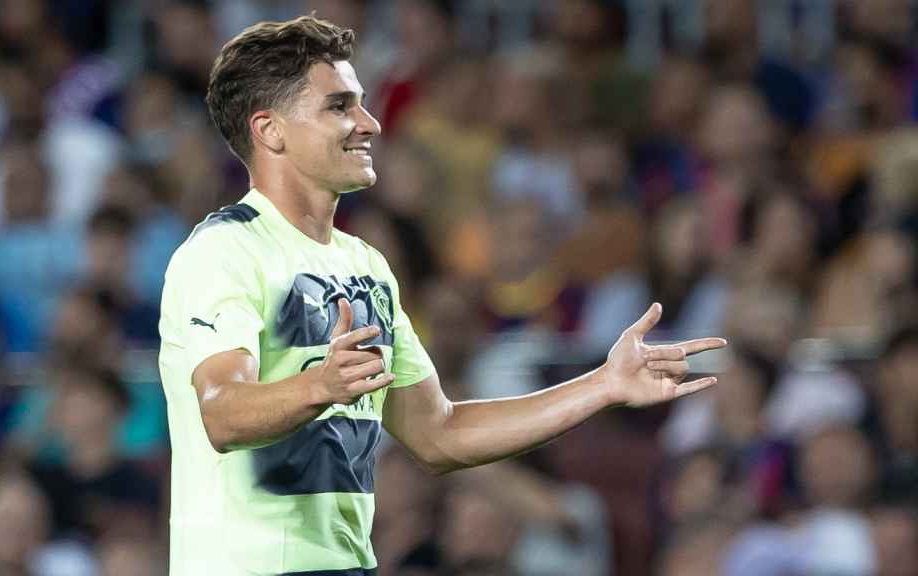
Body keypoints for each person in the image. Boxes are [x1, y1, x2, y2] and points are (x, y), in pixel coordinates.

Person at [157, 15, 727, 576]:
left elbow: (439, 434)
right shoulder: (224, 251)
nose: (369, 123)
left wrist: (602, 385)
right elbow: (222, 412)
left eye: (361, 103)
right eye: (339, 106)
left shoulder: (365, 266)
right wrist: (319, 386)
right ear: (270, 130)